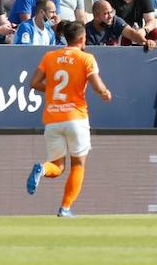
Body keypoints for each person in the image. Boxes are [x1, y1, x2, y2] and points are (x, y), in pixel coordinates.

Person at [26, 19, 112, 217]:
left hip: (53, 118)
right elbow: (97, 85)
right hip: (76, 117)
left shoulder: (50, 56)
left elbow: (34, 83)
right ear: (82, 39)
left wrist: (53, 91)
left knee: (56, 167)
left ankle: (42, 168)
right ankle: (65, 208)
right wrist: (105, 92)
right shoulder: (86, 58)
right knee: (78, 164)